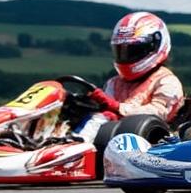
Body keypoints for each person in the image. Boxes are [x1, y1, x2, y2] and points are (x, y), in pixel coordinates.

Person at [78, 11, 184, 140]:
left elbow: (159, 112)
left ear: (154, 46)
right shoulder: (114, 83)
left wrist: (118, 107)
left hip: (148, 144)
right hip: (108, 139)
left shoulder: (167, 81)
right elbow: (106, 111)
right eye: (121, 51)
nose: (126, 56)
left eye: (133, 50)